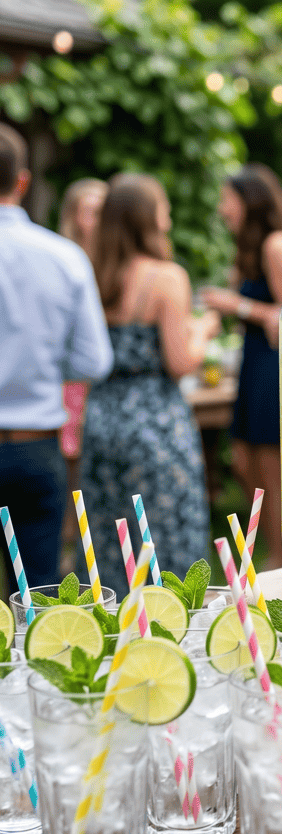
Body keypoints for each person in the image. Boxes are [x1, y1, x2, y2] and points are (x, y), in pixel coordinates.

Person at [77, 174, 218, 599]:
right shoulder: (166, 277)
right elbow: (180, 363)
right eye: (164, 206)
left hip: (102, 418)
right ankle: (173, 630)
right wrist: (204, 330)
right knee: (165, 535)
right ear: (148, 216)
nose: (170, 216)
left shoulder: (92, 275)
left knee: (109, 538)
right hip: (154, 421)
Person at [0, 125, 112, 597]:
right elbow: (93, 360)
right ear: (22, 182)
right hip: (34, 445)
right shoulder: (64, 257)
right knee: (41, 599)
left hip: (36, 444)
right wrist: (40, 362)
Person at [202, 164, 282, 571]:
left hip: (272, 362)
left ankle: (281, 558)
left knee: (269, 464)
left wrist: (237, 305)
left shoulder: (277, 244)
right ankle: (272, 548)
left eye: (228, 199)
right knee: (242, 459)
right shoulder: (247, 246)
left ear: (249, 201)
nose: (223, 209)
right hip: (251, 359)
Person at [58, 177, 110, 570]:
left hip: (103, 384)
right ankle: (66, 552)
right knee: (69, 468)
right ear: (75, 217)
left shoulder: (115, 263)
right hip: (72, 382)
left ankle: (84, 550)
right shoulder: (67, 260)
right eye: (92, 210)